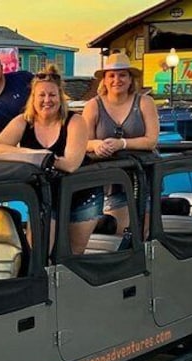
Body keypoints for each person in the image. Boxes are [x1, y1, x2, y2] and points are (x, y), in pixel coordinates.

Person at [0, 66, 88, 252]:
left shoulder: (75, 122)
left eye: (52, 95)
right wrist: (33, 155)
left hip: (79, 195)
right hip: (44, 195)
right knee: (39, 252)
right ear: (32, 99)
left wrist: (34, 157)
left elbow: (70, 164)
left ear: (60, 97)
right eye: (41, 95)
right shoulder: (22, 121)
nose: (47, 100)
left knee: (72, 255)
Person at [82, 52, 159, 235]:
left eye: (123, 75)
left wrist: (122, 143)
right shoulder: (93, 105)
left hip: (144, 177)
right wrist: (97, 146)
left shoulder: (145, 102)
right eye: (112, 75)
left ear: (131, 79)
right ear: (105, 80)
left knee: (143, 233)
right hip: (109, 181)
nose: (117, 79)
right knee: (118, 232)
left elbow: (152, 140)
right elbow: (83, 142)